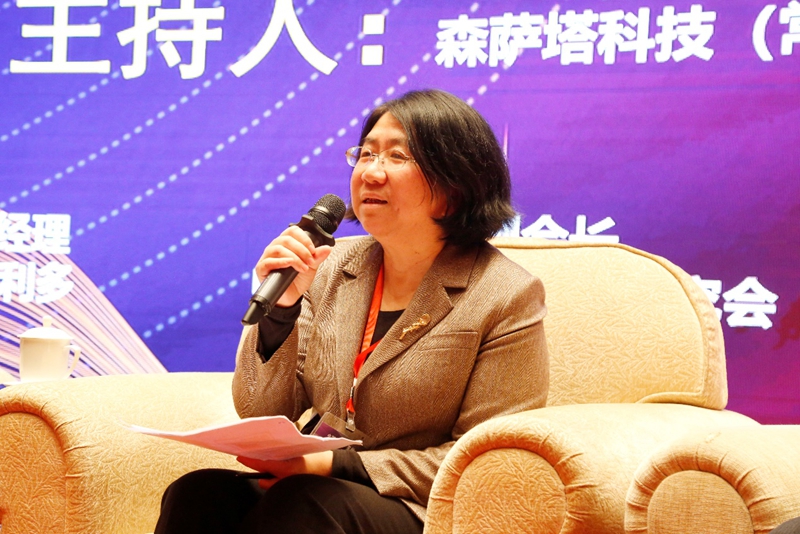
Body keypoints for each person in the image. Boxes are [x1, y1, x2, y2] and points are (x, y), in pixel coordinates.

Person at [154, 89, 549, 534]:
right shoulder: (330, 266)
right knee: (199, 494)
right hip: (316, 490)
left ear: (454, 188)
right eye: (366, 154)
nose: (371, 172)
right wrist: (281, 310)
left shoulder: (505, 294)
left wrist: (334, 465)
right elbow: (261, 410)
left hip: (418, 507)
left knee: (308, 503)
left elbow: (489, 456)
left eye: (397, 156)